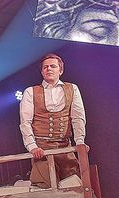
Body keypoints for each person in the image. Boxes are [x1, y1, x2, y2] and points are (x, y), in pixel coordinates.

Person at [18, 53, 88, 189]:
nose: (48, 69)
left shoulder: (72, 88)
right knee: (46, 187)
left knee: (75, 186)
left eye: (53, 66)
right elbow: (25, 122)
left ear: (60, 70)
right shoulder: (30, 92)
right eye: (45, 67)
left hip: (65, 147)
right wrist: (32, 146)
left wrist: (80, 141)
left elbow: (78, 117)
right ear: (42, 71)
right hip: (42, 149)